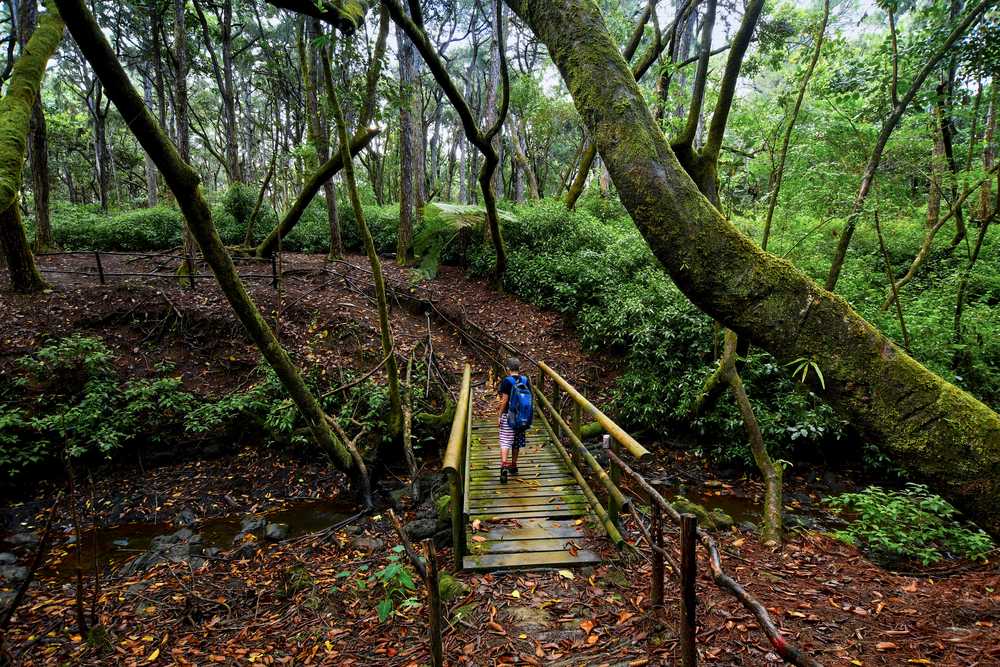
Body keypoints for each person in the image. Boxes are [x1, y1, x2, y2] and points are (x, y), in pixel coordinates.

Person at [497, 357, 529, 483]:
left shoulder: (507, 381)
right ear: (519, 368)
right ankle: (514, 465)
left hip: (508, 416)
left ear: (508, 369)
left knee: (505, 440)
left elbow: (504, 400)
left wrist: (499, 415)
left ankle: (504, 464)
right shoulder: (525, 380)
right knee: (516, 441)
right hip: (521, 417)